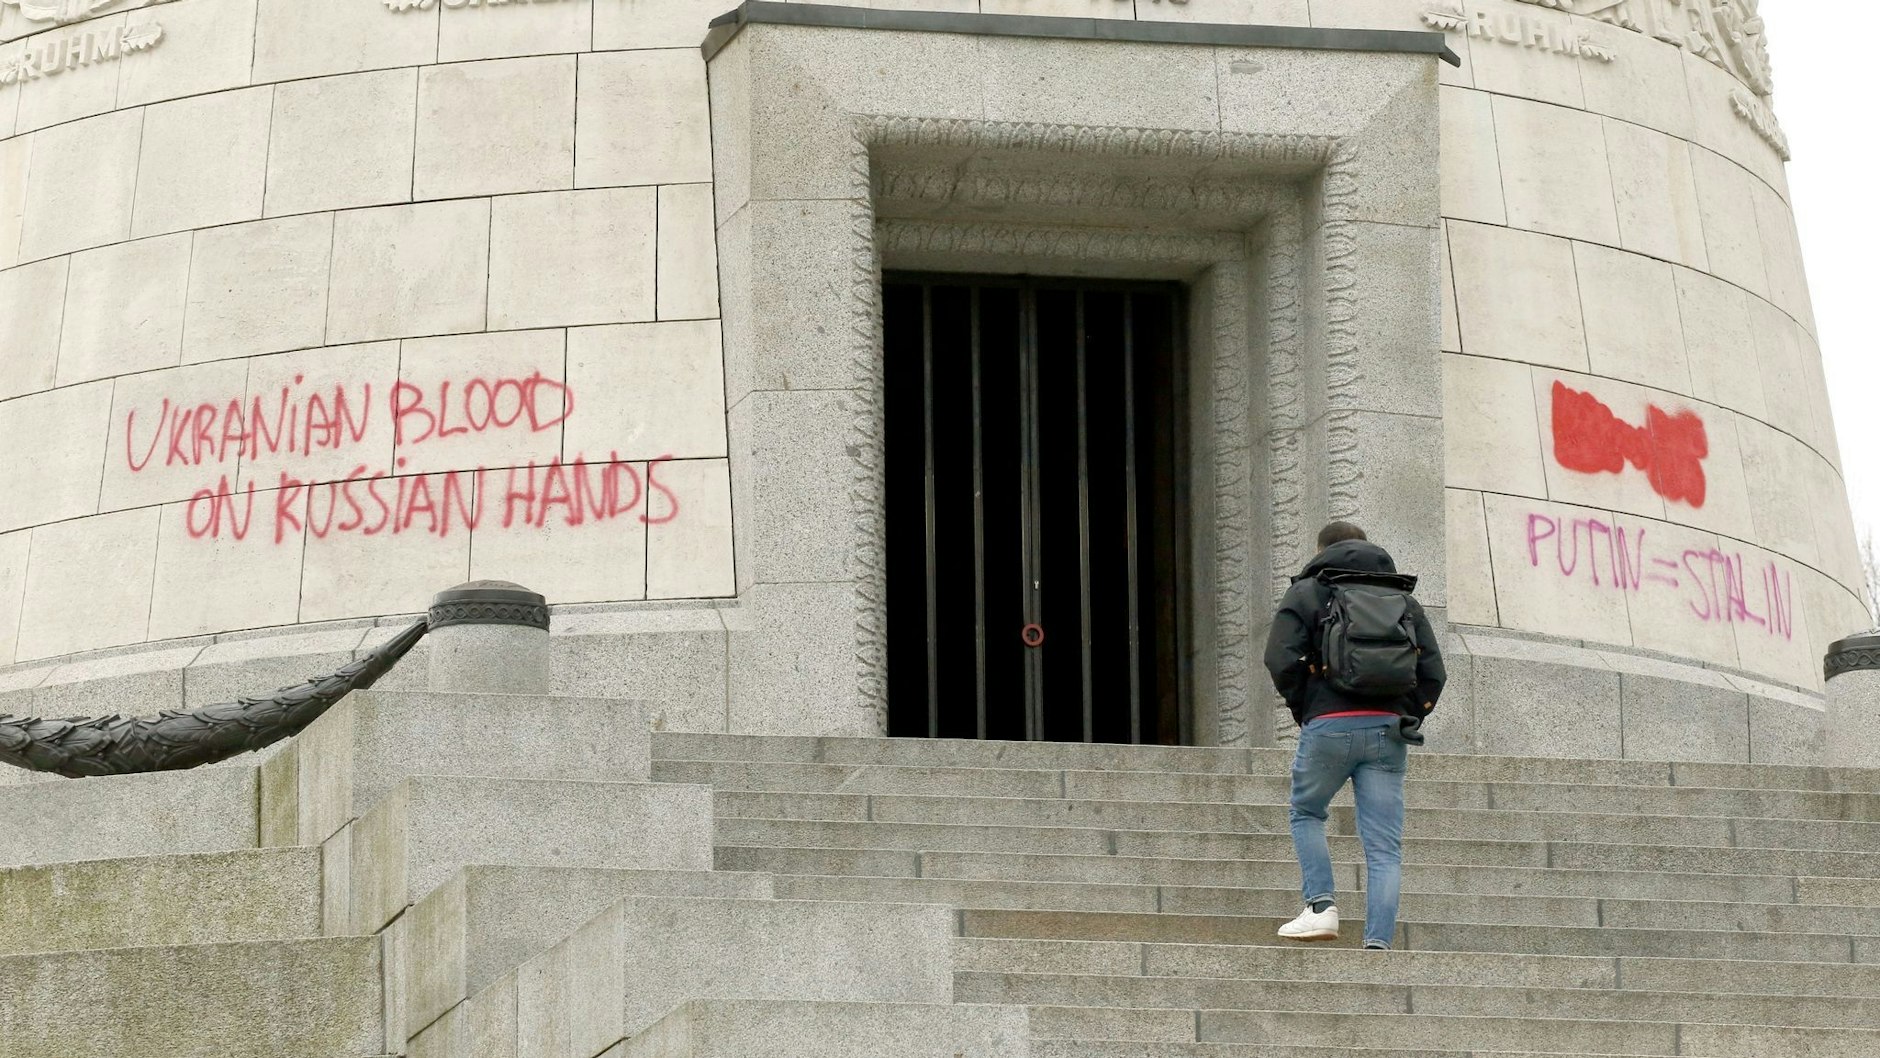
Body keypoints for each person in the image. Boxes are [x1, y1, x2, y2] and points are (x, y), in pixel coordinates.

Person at [1262, 521, 1445, 951]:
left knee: (1307, 812)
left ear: (1321, 550)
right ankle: (1378, 944)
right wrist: (1409, 714)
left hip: (1329, 724)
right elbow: (1433, 671)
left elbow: (1279, 658)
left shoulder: (1309, 591)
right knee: (1384, 846)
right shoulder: (1402, 599)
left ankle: (1321, 907)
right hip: (1388, 730)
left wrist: (1307, 708)